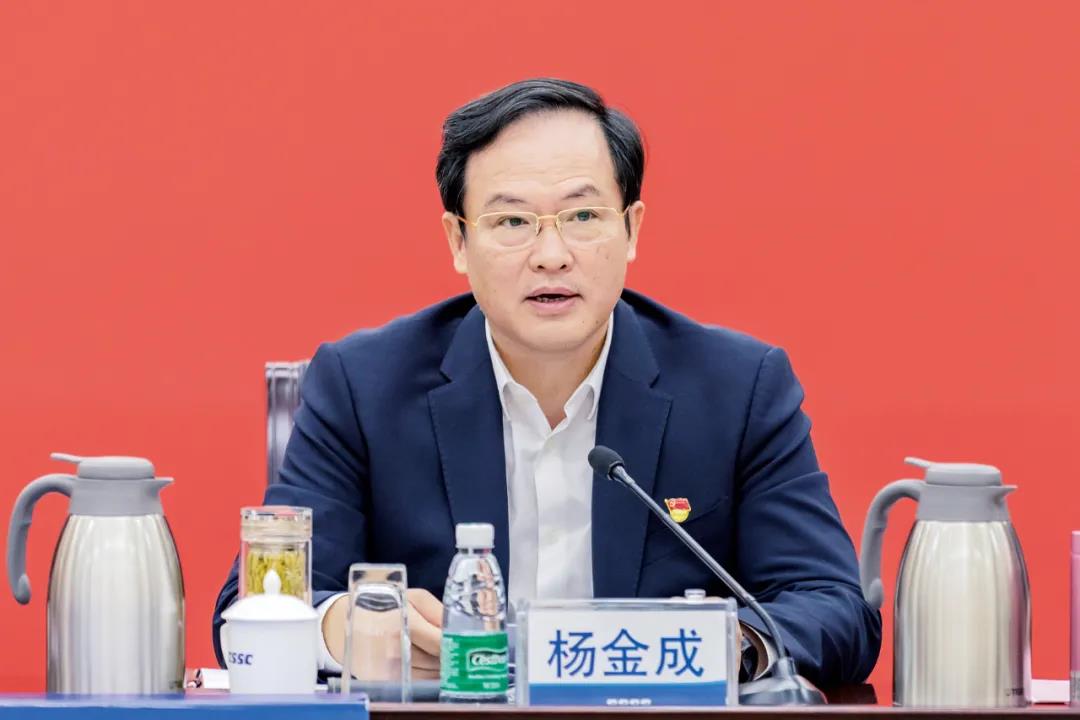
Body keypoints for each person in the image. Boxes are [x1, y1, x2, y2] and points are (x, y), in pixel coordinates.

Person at [213, 78, 881, 686]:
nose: (552, 255)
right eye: (511, 222)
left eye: (583, 217)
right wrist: (349, 630)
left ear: (632, 229)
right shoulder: (362, 388)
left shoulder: (738, 390)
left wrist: (724, 646)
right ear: (457, 241)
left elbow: (833, 609)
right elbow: (250, 610)